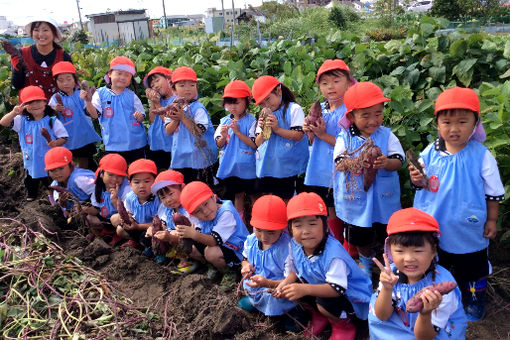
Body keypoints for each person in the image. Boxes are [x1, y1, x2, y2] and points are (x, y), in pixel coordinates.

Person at [410, 87, 505, 321]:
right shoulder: (430, 152)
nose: (454, 129)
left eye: (462, 122)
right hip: (433, 223)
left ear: (475, 123)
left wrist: (492, 219)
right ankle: (436, 296)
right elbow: (420, 180)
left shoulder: (481, 155)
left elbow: (493, 193)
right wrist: (417, 179)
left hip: (467, 226)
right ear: (437, 124)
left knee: (472, 265)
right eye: (447, 122)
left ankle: (474, 297)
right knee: (437, 261)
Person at [275, 192, 372, 340]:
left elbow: (337, 289)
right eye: (298, 225)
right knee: (293, 288)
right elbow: (297, 270)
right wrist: (285, 284)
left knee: (322, 301)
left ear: (326, 226)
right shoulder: (295, 245)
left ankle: (343, 325)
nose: (305, 231)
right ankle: (320, 316)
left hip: (350, 297)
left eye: (312, 224)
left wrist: (304, 289)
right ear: (290, 229)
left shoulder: (334, 255)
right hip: (320, 288)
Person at [333, 81, 404, 278]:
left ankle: (392, 262)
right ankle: (365, 261)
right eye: (366, 115)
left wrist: (386, 163)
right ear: (351, 116)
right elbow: (339, 162)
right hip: (356, 198)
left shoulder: (387, 135)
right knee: (360, 234)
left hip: (383, 197)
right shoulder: (344, 137)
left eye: (378, 113)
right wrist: (356, 162)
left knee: (387, 231)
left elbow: (399, 160)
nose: (373, 120)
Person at [369, 208, 467, 339]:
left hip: (429, 331)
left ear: (433, 252)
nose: (409, 258)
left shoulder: (442, 288)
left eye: (418, 251)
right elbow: (382, 315)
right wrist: (387, 289)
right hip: (397, 326)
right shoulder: (390, 275)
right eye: (399, 251)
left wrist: (426, 313)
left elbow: (424, 337)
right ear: (390, 251)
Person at [303, 59, 355, 252]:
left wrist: (323, 135)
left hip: (339, 171)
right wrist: (308, 129)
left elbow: (351, 147)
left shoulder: (350, 112)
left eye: (335, 81)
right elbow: (311, 140)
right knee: (329, 209)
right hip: (320, 168)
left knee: (344, 210)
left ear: (349, 83)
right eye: (324, 83)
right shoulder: (321, 109)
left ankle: (349, 250)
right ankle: (335, 245)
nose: (330, 87)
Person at [0, 86, 68, 201]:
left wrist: (56, 142)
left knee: (51, 181)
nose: (35, 105)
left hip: (49, 160)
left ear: (45, 103)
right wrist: (13, 113)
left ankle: (53, 199)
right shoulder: (22, 120)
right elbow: (3, 122)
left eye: (38, 101)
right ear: (24, 106)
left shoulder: (51, 120)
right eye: (30, 102)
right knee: (31, 179)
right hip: (31, 159)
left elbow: (64, 137)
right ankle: (31, 197)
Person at [178, 181, 249, 287]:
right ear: (192, 214)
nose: (205, 211)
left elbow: (213, 240)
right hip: (222, 246)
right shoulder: (200, 216)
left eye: (206, 204)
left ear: (213, 197)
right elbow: (197, 229)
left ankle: (230, 272)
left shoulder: (226, 213)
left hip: (239, 250)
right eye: (198, 211)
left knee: (211, 252)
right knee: (192, 248)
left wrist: (193, 234)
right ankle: (214, 266)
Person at [238, 195, 297, 317]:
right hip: (259, 284)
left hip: (278, 287)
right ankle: (257, 303)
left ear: (283, 228)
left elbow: (290, 281)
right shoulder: (251, 241)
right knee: (249, 294)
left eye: (271, 232)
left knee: (278, 300)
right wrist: (246, 266)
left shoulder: (287, 249)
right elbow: (245, 259)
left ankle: (291, 312)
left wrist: (267, 283)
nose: (264, 237)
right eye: (258, 230)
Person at [251, 75, 309, 200]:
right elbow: (258, 142)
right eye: (262, 104)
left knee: (286, 197)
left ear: (278, 91)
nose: (266, 105)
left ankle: (287, 219)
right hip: (268, 164)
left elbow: (299, 135)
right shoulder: (263, 114)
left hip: (286, 165)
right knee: (268, 197)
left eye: (268, 99)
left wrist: (277, 129)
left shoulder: (294, 109)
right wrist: (263, 131)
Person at [164, 66, 218, 186]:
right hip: (181, 157)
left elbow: (199, 132)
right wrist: (176, 119)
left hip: (200, 158)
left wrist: (183, 117)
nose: (187, 89)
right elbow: (168, 130)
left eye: (191, 85)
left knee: (201, 187)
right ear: (174, 89)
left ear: (196, 88)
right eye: (182, 86)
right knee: (183, 187)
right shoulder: (172, 107)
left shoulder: (198, 108)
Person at [91, 56, 147, 164]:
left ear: (130, 79)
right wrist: (88, 102)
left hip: (136, 143)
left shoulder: (131, 95)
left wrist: (140, 116)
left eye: (127, 75)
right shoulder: (100, 94)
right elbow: (94, 114)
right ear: (109, 74)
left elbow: (141, 113)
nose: (122, 77)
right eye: (119, 73)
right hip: (113, 144)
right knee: (114, 174)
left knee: (138, 171)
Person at [215, 80, 257, 218]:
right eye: (229, 103)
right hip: (231, 166)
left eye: (236, 102)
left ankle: (258, 218)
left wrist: (238, 132)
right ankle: (241, 222)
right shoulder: (224, 121)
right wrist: (224, 135)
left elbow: (254, 143)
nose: (233, 107)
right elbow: (219, 144)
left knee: (253, 195)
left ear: (247, 101)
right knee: (237, 195)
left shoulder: (252, 121)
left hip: (249, 167)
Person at [49, 61, 100, 170]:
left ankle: (87, 179)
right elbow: (50, 120)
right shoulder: (54, 99)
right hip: (67, 137)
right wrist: (54, 111)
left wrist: (87, 100)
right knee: (69, 162)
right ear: (56, 82)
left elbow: (91, 113)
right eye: (61, 81)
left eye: (69, 79)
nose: (65, 83)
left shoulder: (80, 94)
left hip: (83, 135)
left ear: (75, 80)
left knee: (85, 159)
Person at [147, 169, 200, 271]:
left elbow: (196, 230)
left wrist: (171, 236)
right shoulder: (164, 208)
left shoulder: (190, 207)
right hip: (176, 239)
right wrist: (153, 230)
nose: (168, 200)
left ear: (182, 188)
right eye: (163, 197)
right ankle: (174, 258)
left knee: (176, 228)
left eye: (171, 194)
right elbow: (163, 224)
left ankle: (190, 261)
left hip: (193, 240)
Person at [10, 18, 72, 99]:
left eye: (45, 30)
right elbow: (17, 85)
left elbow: (71, 85)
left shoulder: (63, 56)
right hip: (31, 107)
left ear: (54, 33)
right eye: (36, 30)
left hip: (57, 107)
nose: (41, 34)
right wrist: (17, 69)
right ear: (32, 33)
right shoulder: (21, 54)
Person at [110, 159, 160, 251]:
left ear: (155, 182)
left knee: (149, 238)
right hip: (136, 226)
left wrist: (138, 226)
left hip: (152, 230)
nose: (142, 186)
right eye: (137, 182)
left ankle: (155, 249)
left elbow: (160, 225)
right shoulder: (130, 197)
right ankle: (137, 242)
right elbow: (129, 213)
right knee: (119, 229)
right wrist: (127, 218)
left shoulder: (158, 199)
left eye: (147, 181)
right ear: (130, 184)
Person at [89, 153, 132, 243]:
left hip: (122, 220)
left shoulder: (126, 189)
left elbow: (126, 213)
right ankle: (109, 231)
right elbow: (96, 208)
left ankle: (121, 236)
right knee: (89, 217)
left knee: (115, 219)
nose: (115, 179)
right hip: (106, 219)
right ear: (101, 174)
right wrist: (83, 209)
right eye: (111, 175)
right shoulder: (99, 186)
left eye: (119, 175)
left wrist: (114, 199)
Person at [44, 147, 96, 217]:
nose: (57, 173)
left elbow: (100, 191)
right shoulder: (55, 185)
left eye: (61, 168)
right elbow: (61, 208)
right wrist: (62, 202)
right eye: (52, 170)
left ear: (71, 165)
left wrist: (87, 208)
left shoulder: (79, 178)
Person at [144, 66, 175, 170]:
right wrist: (153, 101)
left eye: (157, 81)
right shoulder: (158, 100)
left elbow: (168, 120)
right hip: (155, 144)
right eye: (152, 85)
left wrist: (157, 104)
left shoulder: (176, 99)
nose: (155, 86)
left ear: (169, 79)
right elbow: (152, 119)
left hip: (170, 145)